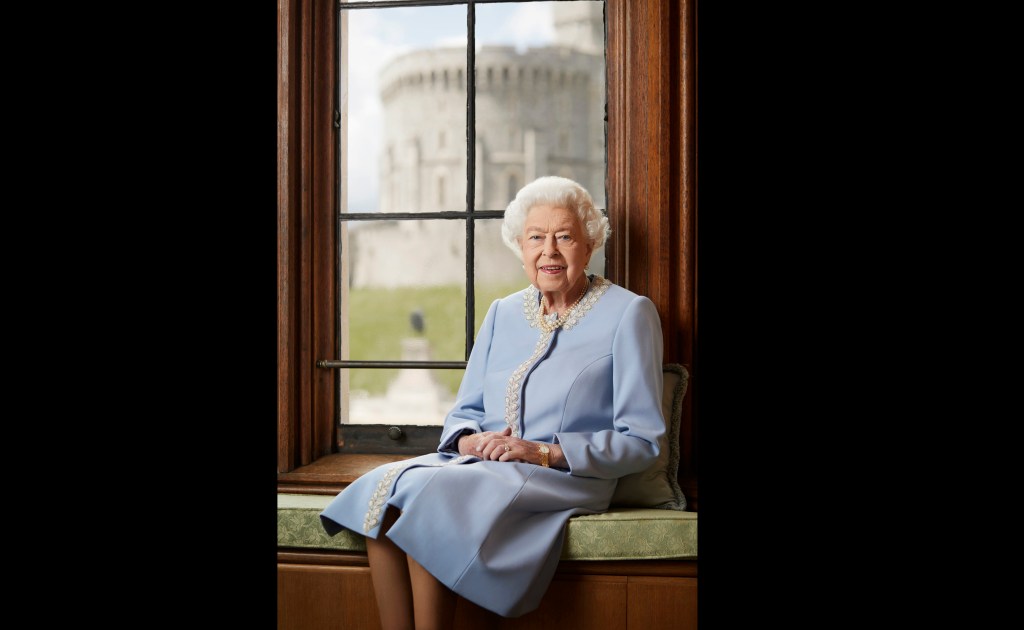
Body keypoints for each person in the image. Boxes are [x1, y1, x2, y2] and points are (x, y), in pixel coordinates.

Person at [319, 175, 665, 628]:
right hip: (483, 468)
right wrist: (468, 442)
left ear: (590, 244)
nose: (549, 251)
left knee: (432, 498)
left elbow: (642, 441)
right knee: (384, 489)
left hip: (564, 477)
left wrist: (541, 452)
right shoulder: (502, 312)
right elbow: (464, 412)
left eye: (564, 237)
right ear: (520, 248)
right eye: (536, 238)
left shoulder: (629, 313)